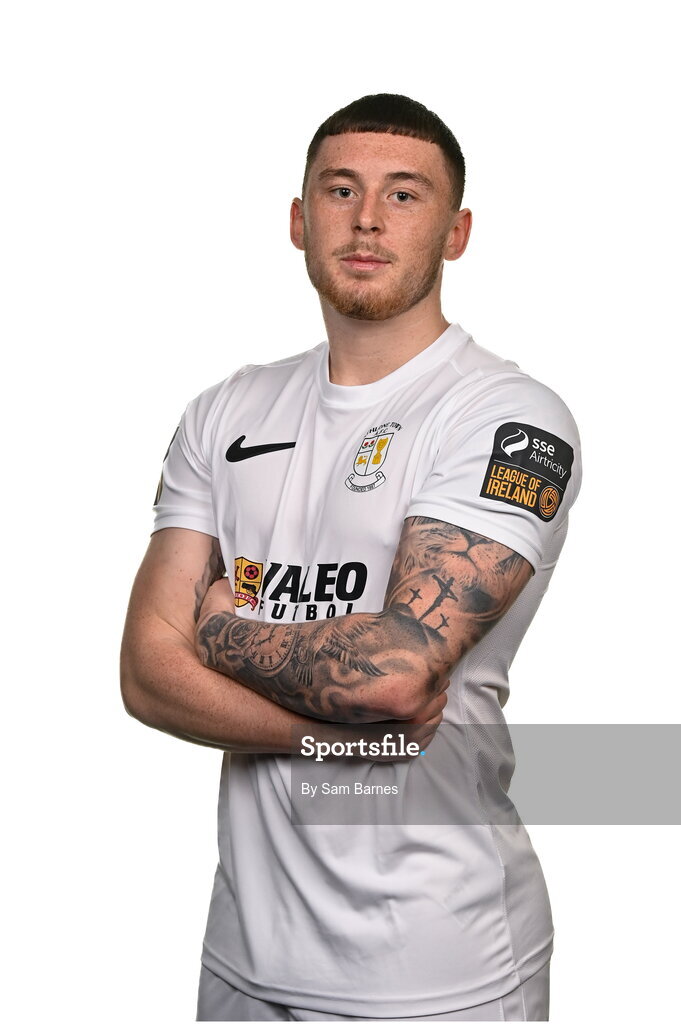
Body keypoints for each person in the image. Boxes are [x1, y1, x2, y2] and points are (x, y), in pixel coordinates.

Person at [120, 93, 581, 1022]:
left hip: (437, 970)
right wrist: (323, 735)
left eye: (404, 195)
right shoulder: (226, 411)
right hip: (244, 955)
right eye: (340, 189)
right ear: (298, 219)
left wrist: (216, 628)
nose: (367, 219)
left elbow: (397, 677)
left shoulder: (508, 420)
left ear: (455, 233)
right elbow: (144, 672)